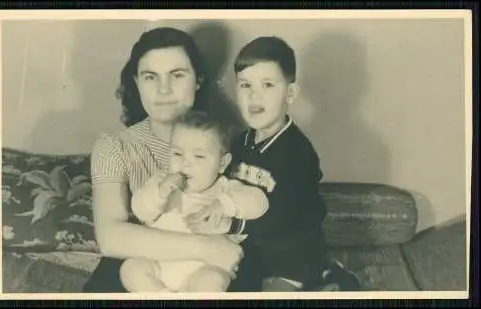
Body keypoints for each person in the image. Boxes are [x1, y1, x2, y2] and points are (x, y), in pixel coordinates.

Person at [82, 27, 244, 292]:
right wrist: (207, 248)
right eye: (150, 77)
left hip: (210, 273)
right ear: (136, 83)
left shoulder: (234, 143)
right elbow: (110, 238)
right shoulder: (115, 146)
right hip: (141, 270)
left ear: (199, 80)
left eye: (177, 75)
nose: (164, 89)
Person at [204, 36, 362, 292]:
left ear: (290, 93)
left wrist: (232, 223)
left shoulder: (298, 152)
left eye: (267, 85)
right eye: (245, 85)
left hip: (292, 252)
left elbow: (283, 213)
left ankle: (328, 278)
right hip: (252, 249)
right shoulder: (238, 142)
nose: (254, 95)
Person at [120, 111, 269, 292]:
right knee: (131, 268)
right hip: (159, 264)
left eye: (198, 156)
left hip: (204, 269)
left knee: (212, 281)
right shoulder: (161, 182)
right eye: (177, 153)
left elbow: (260, 203)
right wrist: (158, 194)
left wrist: (224, 205)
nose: (185, 163)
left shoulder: (226, 189)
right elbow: (140, 209)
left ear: (222, 163)